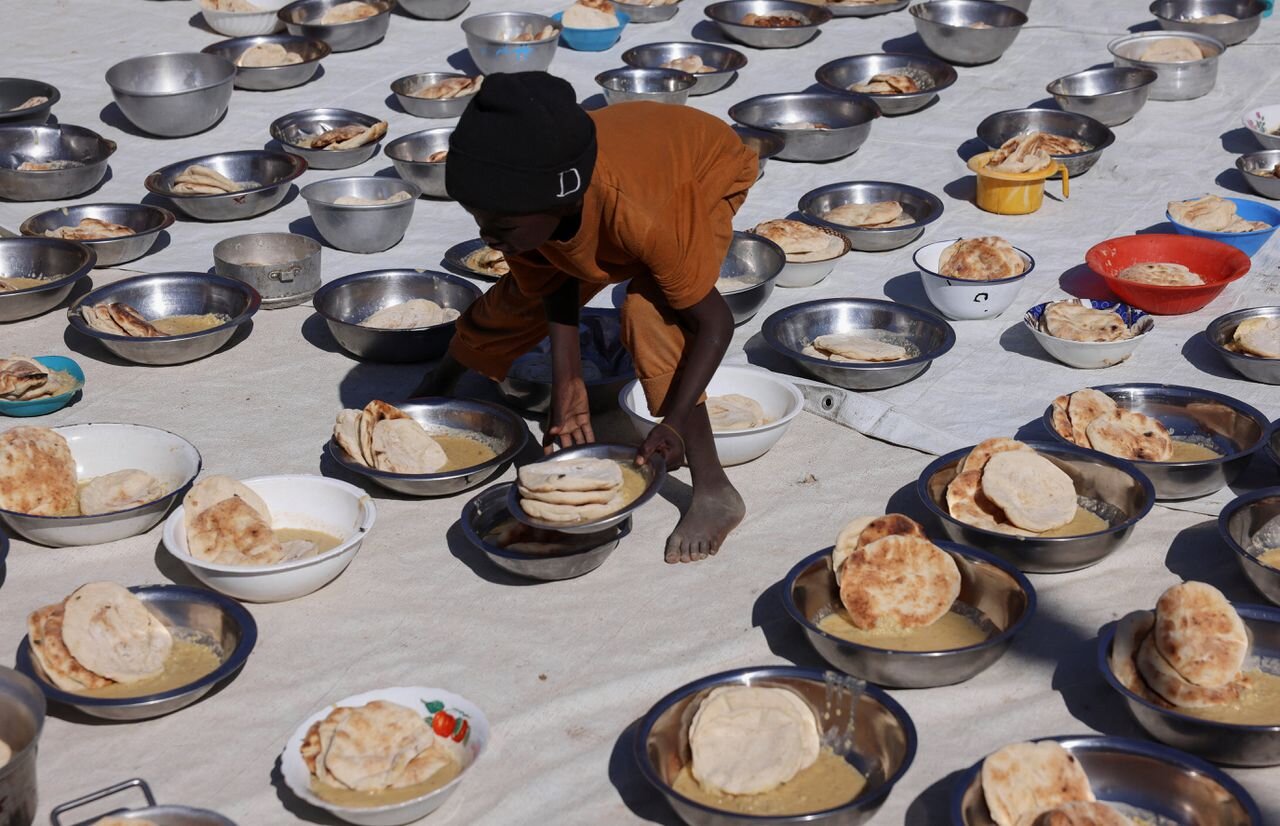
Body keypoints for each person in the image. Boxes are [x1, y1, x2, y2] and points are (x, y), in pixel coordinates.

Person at [414, 72, 758, 564]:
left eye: (501, 226)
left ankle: (714, 488)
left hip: (701, 169)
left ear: (562, 202)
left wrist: (674, 419)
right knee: (519, 299)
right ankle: (447, 373)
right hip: (617, 184)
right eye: (479, 221)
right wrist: (568, 385)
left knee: (651, 310)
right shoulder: (526, 197)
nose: (489, 237)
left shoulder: (646, 215)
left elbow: (714, 323)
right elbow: (550, 281)